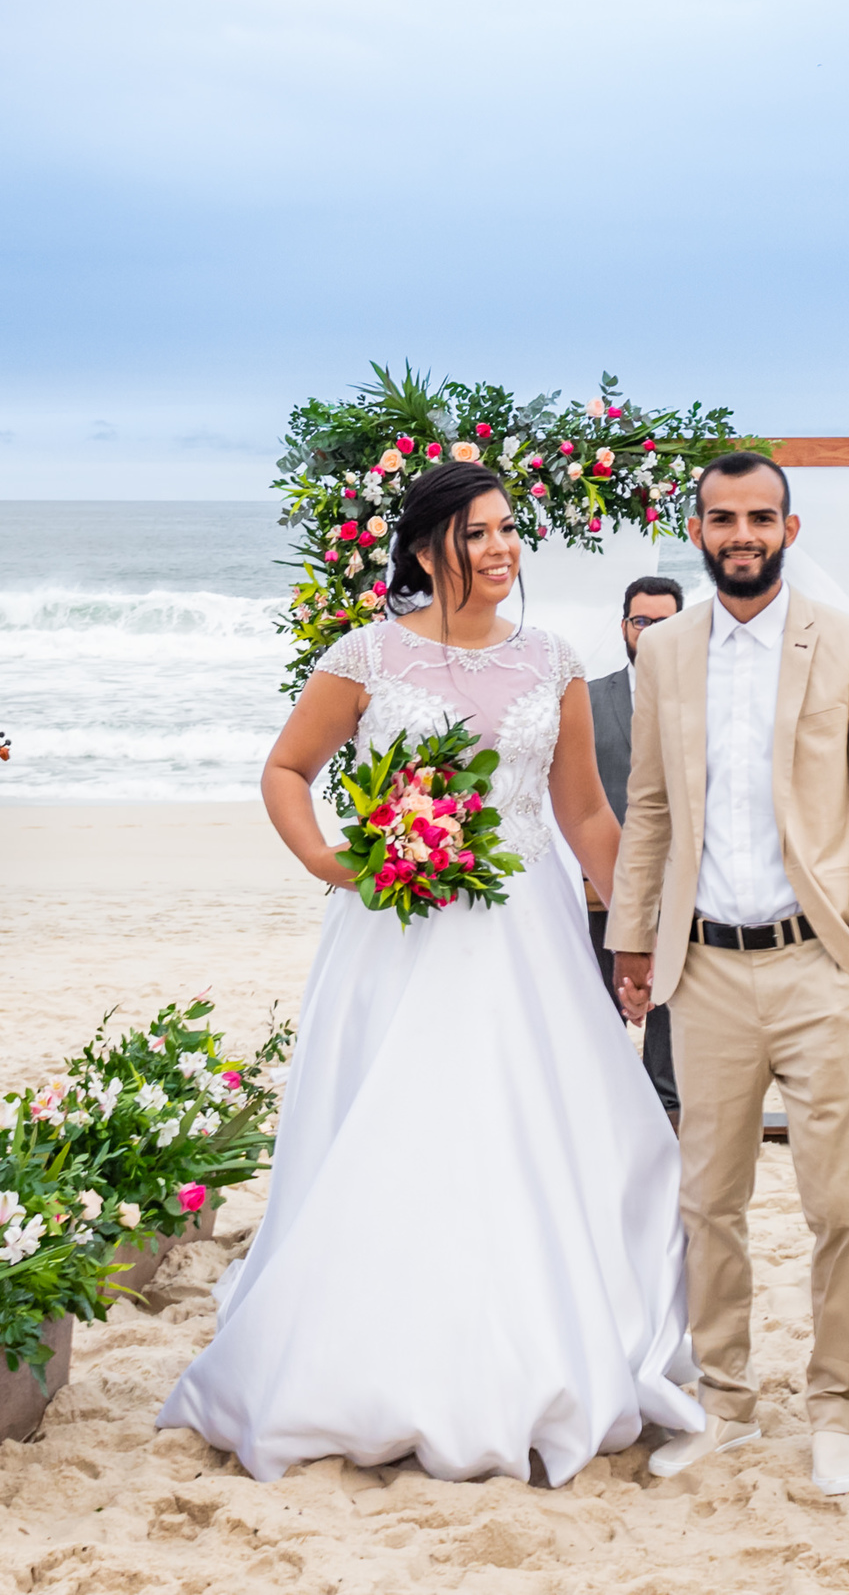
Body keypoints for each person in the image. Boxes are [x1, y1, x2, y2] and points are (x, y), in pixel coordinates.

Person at [157, 461, 703, 1484]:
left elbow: (584, 813)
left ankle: (530, 1349)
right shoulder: (366, 654)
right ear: (424, 549)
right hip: (396, 935)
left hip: (526, 938)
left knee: (539, 1131)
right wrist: (333, 860)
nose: (501, 549)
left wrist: (634, 934)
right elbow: (287, 770)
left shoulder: (552, 659)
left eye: (509, 530)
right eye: (478, 534)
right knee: (396, 1131)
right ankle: (364, 1356)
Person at [606, 451, 849, 1495]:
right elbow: (649, 807)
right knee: (711, 1202)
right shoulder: (668, 654)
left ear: (790, 526)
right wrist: (634, 945)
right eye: (721, 517)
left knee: (844, 1204)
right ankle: (728, 1403)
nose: (740, 534)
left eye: (759, 517)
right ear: (696, 529)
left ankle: (837, 1407)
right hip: (706, 973)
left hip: (817, 967)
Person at [587, 575, 684, 1121]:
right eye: (641, 621)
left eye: (665, 623)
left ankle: (666, 1113)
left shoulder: (705, 701)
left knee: (671, 1012)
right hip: (603, 884)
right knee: (601, 1005)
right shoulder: (588, 699)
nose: (650, 633)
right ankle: (604, 1111)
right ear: (625, 625)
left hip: (682, 886)